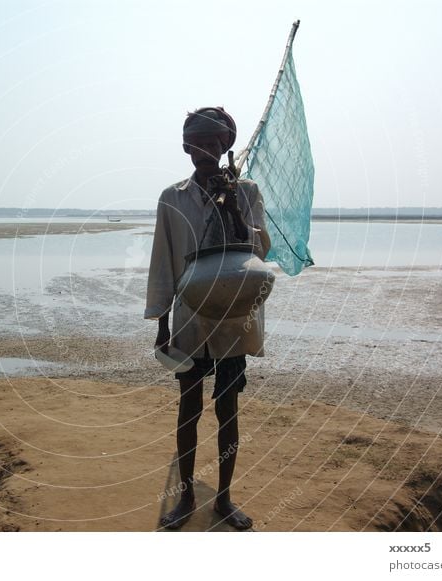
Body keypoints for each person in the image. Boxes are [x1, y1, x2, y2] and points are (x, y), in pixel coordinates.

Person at [145, 107, 271, 530]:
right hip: (189, 318)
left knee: (229, 409)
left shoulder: (247, 191)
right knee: (189, 409)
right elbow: (163, 261)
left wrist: (232, 204)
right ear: (186, 147)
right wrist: (162, 324)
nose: (205, 150)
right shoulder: (172, 197)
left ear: (225, 147)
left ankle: (224, 498)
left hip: (236, 317)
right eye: (197, 143)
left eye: (213, 143)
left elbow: (260, 250)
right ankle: (183, 499)